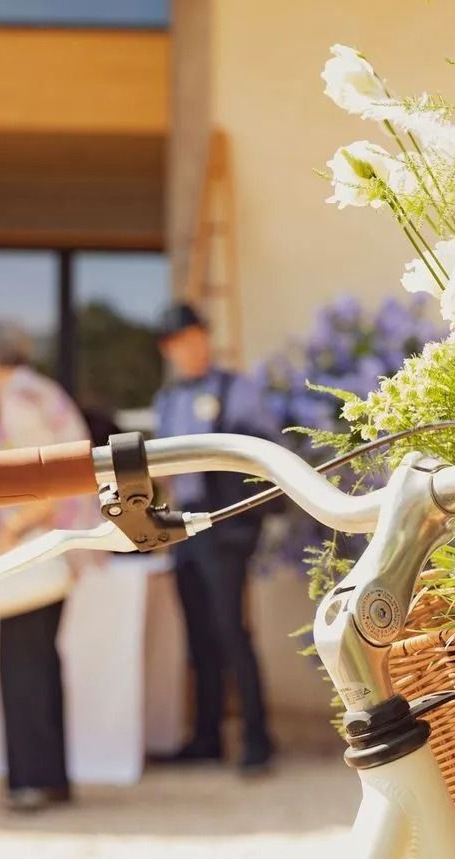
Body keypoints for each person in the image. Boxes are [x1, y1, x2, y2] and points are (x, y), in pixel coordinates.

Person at [0, 320, 90, 814]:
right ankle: (48, 778)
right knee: (36, 660)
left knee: (22, 665)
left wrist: (9, 531)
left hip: (32, 550)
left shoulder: (17, 399)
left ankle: (34, 780)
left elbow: (43, 481)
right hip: (52, 548)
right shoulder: (38, 392)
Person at [149, 302, 277, 776]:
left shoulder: (236, 388)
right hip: (182, 525)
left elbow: (260, 453)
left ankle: (257, 737)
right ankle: (204, 736)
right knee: (198, 635)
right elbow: (161, 469)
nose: (188, 348)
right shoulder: (168, 400)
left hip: (221, 524)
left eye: (193, 337)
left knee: (231, 631)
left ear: (204, 337)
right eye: (178, 342)